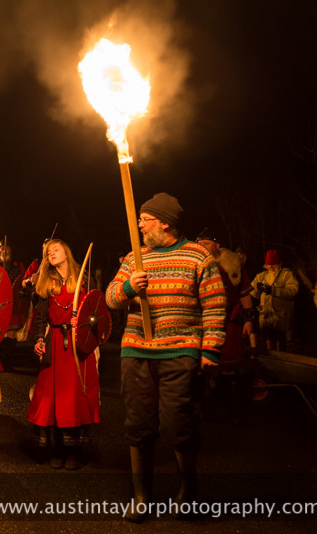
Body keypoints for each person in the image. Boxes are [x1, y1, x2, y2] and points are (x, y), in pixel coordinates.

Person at [106, 193, 226, 522]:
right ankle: (142, 496)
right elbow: (110, 298)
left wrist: (210, 348)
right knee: (138, 423)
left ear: (166, 223)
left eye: (146, 220)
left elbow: (215, 304)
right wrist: (128, 287)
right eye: (140, 220)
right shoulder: (135, 258)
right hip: (137, 351)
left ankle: (187, 491)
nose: (140, 226)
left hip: (181, 352)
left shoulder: (198, 256)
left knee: (179, 424)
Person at [30, 239, 99, 470]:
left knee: (75, 398)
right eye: (48, 252)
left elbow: (96, 311)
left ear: (66, 252)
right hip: (55, 343)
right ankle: (56, 449)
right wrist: (39, 339)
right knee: (51, 398)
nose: (51, 254)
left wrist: (83, 321)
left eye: (56, 250)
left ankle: (74, 452)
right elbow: (41, 317)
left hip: (79, 345)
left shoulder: (83, 279)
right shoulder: (45, 282)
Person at [196, 228, 255, 423]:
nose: (202, 246)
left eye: (206, 243)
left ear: (217, 245)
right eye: (199, 243)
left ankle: (232, 411)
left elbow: (243, 293)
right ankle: (203, 410)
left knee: (229, 367)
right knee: (200, 367)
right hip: (201, 323)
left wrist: (248, 320)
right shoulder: (194, 264)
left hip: (229, 321)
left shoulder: (232, 264)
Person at [250, 249, 299, 351]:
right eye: (269, 264)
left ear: (279, 263)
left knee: (280, 337)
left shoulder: (287, 274)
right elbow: (252, 293)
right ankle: (270, 355)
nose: (271, 267)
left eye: (273, 264)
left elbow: (293, 291)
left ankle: (281, 356)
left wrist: (274, 290)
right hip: (266, 313)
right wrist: (257, 288)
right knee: (269, 336)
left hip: (281, 314)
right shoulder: (262, 276)